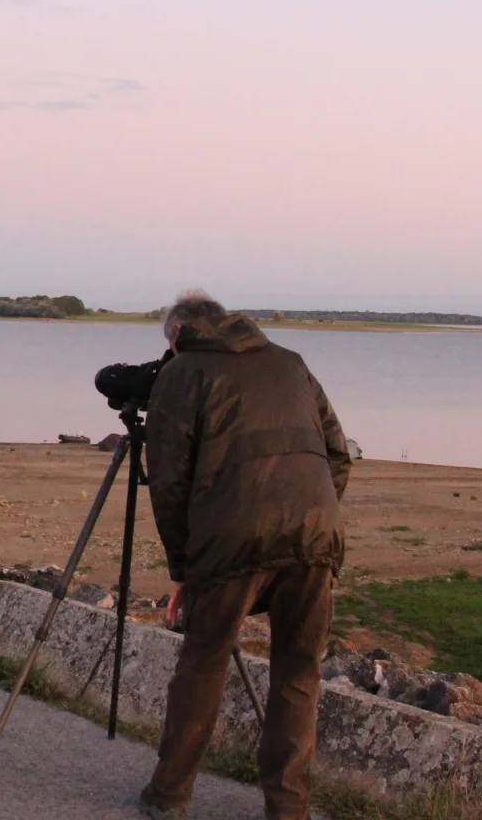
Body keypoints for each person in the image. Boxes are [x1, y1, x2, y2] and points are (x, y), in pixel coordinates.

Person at [137, 291, 352, 820]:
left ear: (179, 334)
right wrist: (308, 515)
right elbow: (339, 456)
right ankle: (289, 809)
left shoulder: (184, 372)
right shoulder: (291, 363)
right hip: (315, 535)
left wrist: (183, 568)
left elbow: (168, 480)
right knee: (299, 674)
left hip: (231, 541)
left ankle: (168, 797)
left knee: (204, 664)